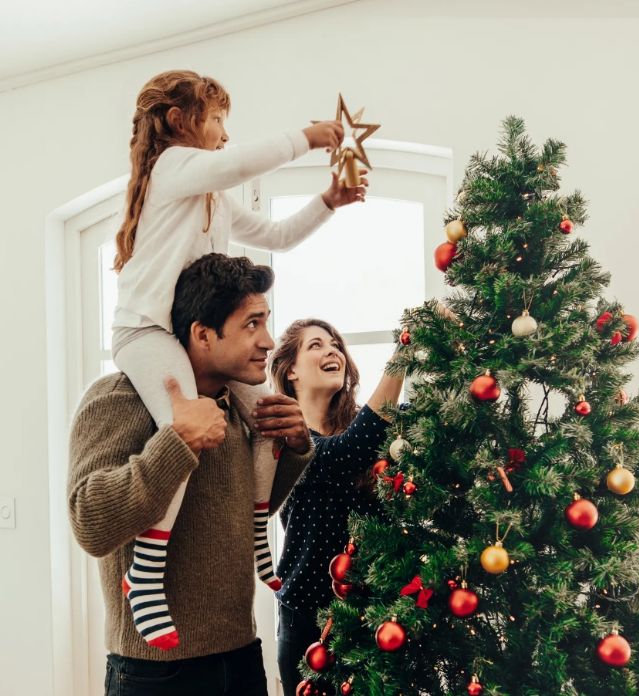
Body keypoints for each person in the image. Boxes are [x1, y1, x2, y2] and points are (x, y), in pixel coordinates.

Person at [110, 69, 368, 650]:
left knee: (269, 417)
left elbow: (276, 235)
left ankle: (258, 537)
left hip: (185, 335)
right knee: (190, 426)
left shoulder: (214, 199)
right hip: (146, 332)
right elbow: (234, 163)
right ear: (181, 122)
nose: (226, 134)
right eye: (218, 119)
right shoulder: (171, 168)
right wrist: (308, 137)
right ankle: (146, 569)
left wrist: (328, 200)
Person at [69, 253, 314, 696]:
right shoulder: (118, 396)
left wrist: (295, 447)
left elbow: (236, 512)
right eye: (252, 324)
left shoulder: (237, 405)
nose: (269, 340)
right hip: (155, 672)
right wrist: (177, 443)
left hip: (241, 655)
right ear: (202, 333)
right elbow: (90, 522)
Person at [268, 319, 405, 694]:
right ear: (290, 369)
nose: (332, 351)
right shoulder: (284, 437)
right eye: (316, 345)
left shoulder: (374, 432)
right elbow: (342, 454)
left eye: (335, 345)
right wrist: (405, 349)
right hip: (309, 620)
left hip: (378, 612)